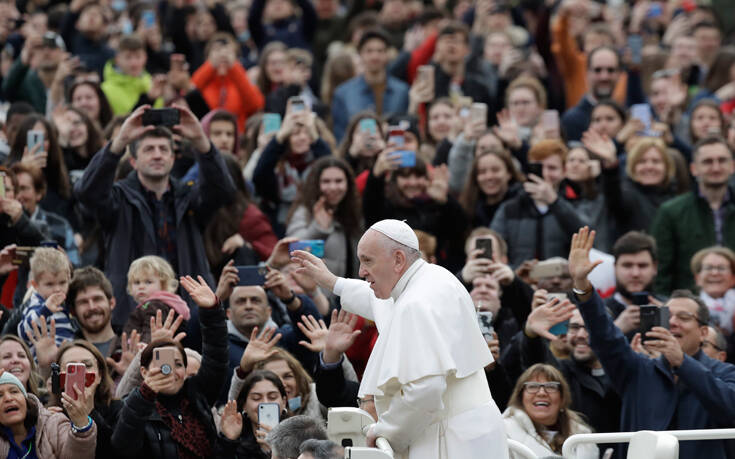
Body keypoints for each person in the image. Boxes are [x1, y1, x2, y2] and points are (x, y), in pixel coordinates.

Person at [291, 219, 508, 458]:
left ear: (398, 259)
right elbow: (383, 302)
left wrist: (387, 432)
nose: (362, 271)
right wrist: (333, 282)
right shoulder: (431, 278)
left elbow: (425, 390)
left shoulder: (416, 302)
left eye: (367, 261)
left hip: (452, 440)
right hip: (471, 431)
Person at [569, 226, 735, 459]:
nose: (673, 322)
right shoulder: (636, 369)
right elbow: (605, 335)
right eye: (668, 316)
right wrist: (583, 287)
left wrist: (682, 363)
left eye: (684, 317)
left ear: (703, 332)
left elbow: (730, 408)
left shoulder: (725, 373)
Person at [74, 104, 236, 339]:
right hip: (132, 317)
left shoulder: (190, 198)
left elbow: (224, 191)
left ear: (173, 157)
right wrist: (120, 142)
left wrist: (201, 141)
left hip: (188, 314)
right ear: (133, 161)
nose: (158, 154)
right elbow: (87, 191)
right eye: (149, 149)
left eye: (163, 149)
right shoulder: (118, 199)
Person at [111, 275, 228, 459]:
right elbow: (122, 447)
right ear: (143, 371)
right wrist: (146, 393)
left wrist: (212, 311)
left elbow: (216, 357)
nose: (171, 370)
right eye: (163, 363)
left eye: (179, 364)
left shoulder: (197, 397)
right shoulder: (131, 406)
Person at [521, 300, 621, 435]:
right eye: (574, 327)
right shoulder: (561, 372)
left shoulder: (624, 373)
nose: (580, 335)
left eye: (590, 327)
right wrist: (531, 334)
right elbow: (537, 361)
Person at [651, 137, 735, 294]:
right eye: (707, 162)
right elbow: (660, 271)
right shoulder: (671, 211)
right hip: (688, 307)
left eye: (722, 160)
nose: (716, 167)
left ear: (732, 166)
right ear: (694, 169)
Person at [286, 157, 362, 278]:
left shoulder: (353, 212)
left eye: (339, 181)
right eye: (326, 182)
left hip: (348, 290)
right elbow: (293, 250)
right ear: (316, 184)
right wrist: (319, 229)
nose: (333, 187)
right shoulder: (305, 212)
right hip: (320, 292)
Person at [503, 364, 599, 459]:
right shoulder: (504, 431)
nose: (541, 393)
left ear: (562, 398)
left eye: (551, 387)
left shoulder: (583, 435)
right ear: (521, 397)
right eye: (532, 386)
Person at [331, 29, 409, 142]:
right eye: (369, 51)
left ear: (387, 54)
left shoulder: (402, 91)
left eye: (380, 51)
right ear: (360, 54)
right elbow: (340, 136)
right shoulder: (343, 93)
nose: (375, 56)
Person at [50, 340, 123, 459]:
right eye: (71, 368)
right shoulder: (53, 415)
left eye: (87, 366)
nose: (82, 373)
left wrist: (90, 414)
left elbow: (116, 452)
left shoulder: (118, 409)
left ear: (99, 375)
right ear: (60, 377)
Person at [0, 370, 96, 458]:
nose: (8, 398)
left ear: (26, 400)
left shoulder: (53, 424)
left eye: (14, 391)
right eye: (0, 395)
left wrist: (81, 425)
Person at [217, 370, 290, 459]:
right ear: (244, 406)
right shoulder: (236, 440)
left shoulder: (300, 436)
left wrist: (277, 454)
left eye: (272, 397)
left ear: (284, 402)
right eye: (256, 398)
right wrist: (228, 441)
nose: (265, 403)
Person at [603, 232, 662, 336]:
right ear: (615, 267)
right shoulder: (597, 311)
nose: (635, 273)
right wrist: (616, 330)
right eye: (627, 265)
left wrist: (669, 323)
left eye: (642, 266)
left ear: (655, 268)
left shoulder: (670, 309)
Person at [18, 248, 76, 353]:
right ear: (35, 285)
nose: (57, 289)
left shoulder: (65, 303)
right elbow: (24, 332)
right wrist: (45, 310)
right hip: (42, 365)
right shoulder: (37, 305)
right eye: (50, 284)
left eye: (62, 282)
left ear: (69, 279)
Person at [561, 46, 622, 141]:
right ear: (587, 73)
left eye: (610, 70)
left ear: (619, 74)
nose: (604, 77)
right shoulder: (572, 119)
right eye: (598, 70)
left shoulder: (626, 112)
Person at [691, 247, 735, 334]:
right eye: (708, 268)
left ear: (733, 278)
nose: (715, 273)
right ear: (697, 278)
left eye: (721, 268)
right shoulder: (689, 309)